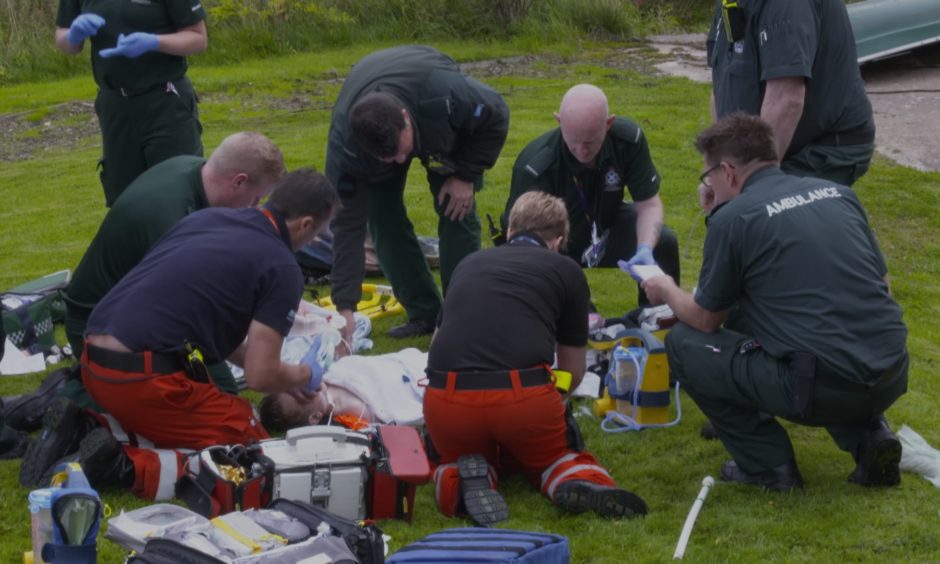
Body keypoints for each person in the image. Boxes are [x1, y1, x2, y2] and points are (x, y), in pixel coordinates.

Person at [19, 170, 340, 500]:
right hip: (140, 377)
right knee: (248, 449)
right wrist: (307, 372)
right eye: (318, 231)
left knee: (196, 416)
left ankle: (85, 429)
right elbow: (260, 375)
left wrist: (292, 380)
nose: (315, 240)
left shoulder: (210, 218)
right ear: (303, 224)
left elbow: (215, 330)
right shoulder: (282, 266)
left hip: (96, 358)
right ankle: (120, 465)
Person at [643, 114, 908, 492]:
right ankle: (870, 436)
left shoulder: (734, 218)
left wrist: (667, 288)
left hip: (820, 388)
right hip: (890, 370)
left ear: (728, 172)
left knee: (685, 344)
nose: (709, 186)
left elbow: (704, 318)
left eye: (709, 177)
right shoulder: (839, 195)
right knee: (822, 333)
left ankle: (768, 465)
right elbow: (883, 289)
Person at [424, 191, 648, 525]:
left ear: (510, 229)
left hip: (446, 398)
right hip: (521, 397)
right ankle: (573, 479)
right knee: (553, 457)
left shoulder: (469, 262)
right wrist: (554, 398)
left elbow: (436, 347)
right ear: (558, 240)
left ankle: (458, 479)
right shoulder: (566, 270)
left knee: (460, 458)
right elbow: (571, 370)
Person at [61, 132, 284, 403]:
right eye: (255, 200)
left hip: (134, 309)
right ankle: (83, 397)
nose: (255, 209)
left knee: (219, 389)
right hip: (95, 325)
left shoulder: (197, 169)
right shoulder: (170, 220)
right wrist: (265, 368)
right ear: (238, 182)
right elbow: (199, 316)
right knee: (216, 398)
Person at [326, 45, 510, 341]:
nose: (400, 163)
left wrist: (465, 175)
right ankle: (423, 311)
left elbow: (497, 114)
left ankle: (461, 310)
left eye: (401, 151)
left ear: (405, 118)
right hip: (376, 106)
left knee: (457, 209)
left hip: (431, 109)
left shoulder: (445, 94)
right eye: (390, 159)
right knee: (381, 217)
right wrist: (345, 306)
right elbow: (345, 227)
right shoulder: (347, 148)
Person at [501, 84, 680, 304]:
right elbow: (525, 243)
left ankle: (658, 318)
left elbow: (649, 204)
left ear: (608, 124)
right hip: (553, 241)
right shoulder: (536, 167)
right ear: (559, 122)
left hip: (604, 225)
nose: (582, 150)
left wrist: (645, 248)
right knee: (584, 321)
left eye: (590, 141)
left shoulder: (627, 141)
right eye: (573, 140)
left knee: (663, 242)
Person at [55, 0, 208, 206]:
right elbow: (64, 40)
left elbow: (198, 39)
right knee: (126, 201)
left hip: (165, 100)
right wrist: (73, 34)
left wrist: (154, 42)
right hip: (115, 105)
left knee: (179, 194)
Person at [707, 0, 875, 186]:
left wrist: (750, 182)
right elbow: (721, 89)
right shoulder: (728, 3)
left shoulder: (787, 5)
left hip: (821, 146)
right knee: (733, 207)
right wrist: (716, 173)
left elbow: (786, 99)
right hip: (774, 143)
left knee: (759, 208)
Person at [260, 348, 428, 432]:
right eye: (304, 397)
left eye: (296, 388)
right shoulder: (352, 416)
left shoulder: (328, 375)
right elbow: (386, 418)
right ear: (315, 417)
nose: (305, 388)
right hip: (411, 388)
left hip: (401, 366)